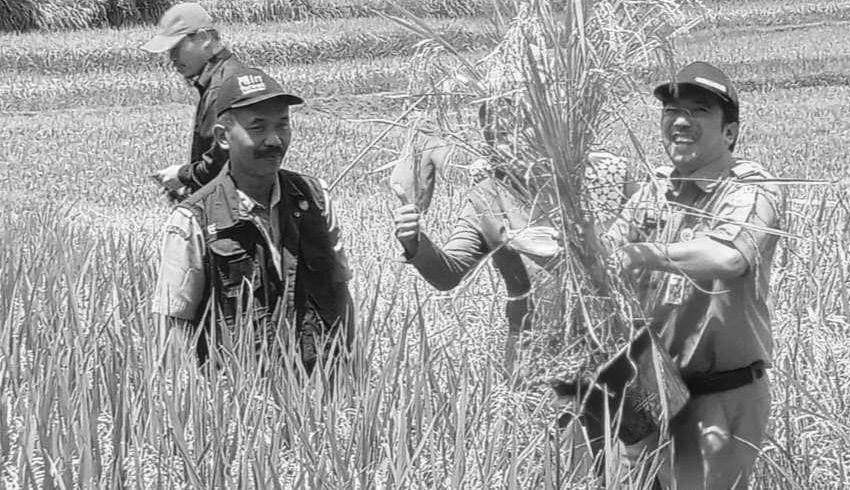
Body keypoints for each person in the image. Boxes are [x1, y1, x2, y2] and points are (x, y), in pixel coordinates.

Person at [600, 61, 787, 489]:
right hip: (648, 392)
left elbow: (728, 257)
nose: (681, 121)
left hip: (718, 397)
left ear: (730, 132)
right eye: (672, 110)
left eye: (699, 110)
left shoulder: (750, 188)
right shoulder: (655, 190)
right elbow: (608, 257)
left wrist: (644, 254)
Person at [392, 97, 635, 372]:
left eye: (522, 127)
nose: (510, 143)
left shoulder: (605, 177)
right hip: (531, 354)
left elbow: (649, 256)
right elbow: (447, 275)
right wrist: (415, 241)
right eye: (499, 135)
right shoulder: (489, 196)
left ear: (552, 124)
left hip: (615, 345)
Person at [152, 67, 356, 372]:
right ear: (223, 137)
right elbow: (173, 326)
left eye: (283, 124)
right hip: (238, 392)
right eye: (257, 128)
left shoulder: (315, 198)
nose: (274, 140)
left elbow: (340, 291)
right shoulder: (193, 220)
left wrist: (354, 372)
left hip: (318, 387)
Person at [141, 2, 248, 200]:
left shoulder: (220, 88)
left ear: (204, 38)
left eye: (176, 48)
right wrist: (190, 186)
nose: (171, 58)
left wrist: (184, 176)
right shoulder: (230, 75)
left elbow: (223, 164)